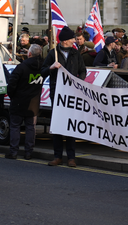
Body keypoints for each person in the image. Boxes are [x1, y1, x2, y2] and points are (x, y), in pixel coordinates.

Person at [43, 26, 88, 166]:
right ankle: (58, 156)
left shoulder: (75, 53)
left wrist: (78, 82)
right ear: (64, 41)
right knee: (57, 125)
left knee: (70, 125)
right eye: (72, 39)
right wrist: (51, 67)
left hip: (71, 93)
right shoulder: (53, 53)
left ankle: (71, 157)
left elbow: (83, 70)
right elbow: (42, 71)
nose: (74, 40)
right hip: (57, 92)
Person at [6, 43, 44, 160]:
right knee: (31, 127)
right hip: (33, 103)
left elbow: (11, 84)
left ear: (29, 54)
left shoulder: (21, 67)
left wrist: (13, 96)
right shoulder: (43, 67)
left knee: (15, 127)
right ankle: (28, 152)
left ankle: (13, 152)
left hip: (19, 101)